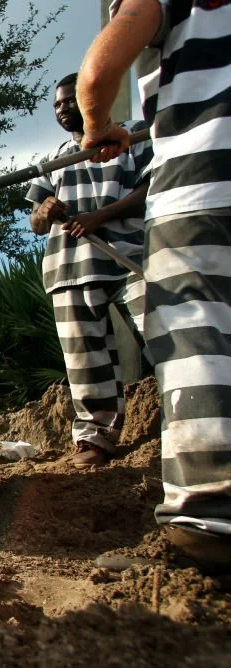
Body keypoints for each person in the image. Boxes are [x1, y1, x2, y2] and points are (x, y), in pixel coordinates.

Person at [76, 0, 231, 572]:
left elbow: (101, 67)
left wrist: (98, 122)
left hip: (205, 183)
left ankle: (208, 523)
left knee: (197, 338)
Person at [26, 72, 153, 468]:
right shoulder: (54, 160)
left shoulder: (135, 137)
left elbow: (152, 188)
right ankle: (95, 439)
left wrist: (100, 217)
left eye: (70, 100)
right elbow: (36, 219)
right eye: (58, 105)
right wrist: (44, 211)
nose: (64, 109)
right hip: (71, 266)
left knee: (167, 337)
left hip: (134, 258)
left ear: (96, 98)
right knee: (86, 359)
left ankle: (199, 424)